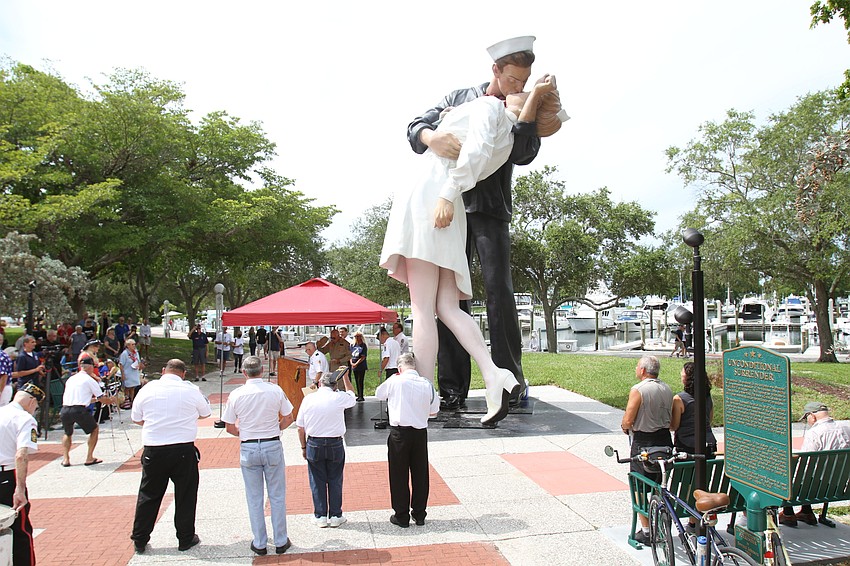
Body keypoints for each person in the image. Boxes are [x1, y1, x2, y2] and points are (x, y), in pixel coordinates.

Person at [384, 71, 561, 424]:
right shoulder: (467, 99)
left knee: (463, 301)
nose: (520, 88)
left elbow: (516, 151)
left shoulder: (493, 111)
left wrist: (527, 112)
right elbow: (417, 128)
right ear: (498, 70)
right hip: (453, 205)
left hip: (451, 199)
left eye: (524, 86)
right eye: (517, 81)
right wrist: (432, 135)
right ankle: (475, 382)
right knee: (448, 306)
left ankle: (430, 394)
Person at [130, 359, 211, 554]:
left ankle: (140, 538)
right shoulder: (191, 390)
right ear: (183, 374)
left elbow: (136, 418)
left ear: (163, 370)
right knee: (186, 494)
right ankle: (185, 537)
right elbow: (206, 413)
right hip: (182, 448)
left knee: (149, 494)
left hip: (154, 448)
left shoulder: (147, 389)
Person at [222, 356, 294, 555]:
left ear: (244, 372)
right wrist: (277, 429)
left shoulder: (236, 394)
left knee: (254, 497)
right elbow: (288, 417)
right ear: (262, 370)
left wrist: (244, 433)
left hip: (249, 445)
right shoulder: (275, 390)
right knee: (277, 495)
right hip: (271, 443)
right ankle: (280, 540)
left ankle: (260, 542)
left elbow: (229, 426)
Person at [375, 352, 440, 527]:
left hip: (399, 433)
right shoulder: (426, 384)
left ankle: (401, 515)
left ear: (400, 367)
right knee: (420, 474)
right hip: (419, 433)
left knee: (398, 474)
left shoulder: (395, 381)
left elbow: (379, 394)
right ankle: (419, 514)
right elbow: (434, 411)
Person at [620, 355, 673, 545]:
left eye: (637, 367)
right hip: (665, 441)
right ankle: (659, 519)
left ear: (642, 370)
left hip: (643, 442)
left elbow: (628, 419)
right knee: (659, 482)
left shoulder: (639, 390)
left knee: (639, 487)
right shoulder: (667, 388)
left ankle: (646, 530)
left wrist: (625, 426)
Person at [296, 363, 356, 528]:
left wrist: (303, 447)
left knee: (317, 480)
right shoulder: (339, 397)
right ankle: (336, 514)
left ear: (320, 383)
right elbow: (352, 395)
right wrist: (345, 377)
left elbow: (300, 427)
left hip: (314, 442)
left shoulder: (308, 399)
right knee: (335, 479)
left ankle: (320, 515)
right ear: (335, 385)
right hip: (335, 442)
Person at [779, 402, 850, 527]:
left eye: (806, 418)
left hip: (814, 489)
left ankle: (788, 514)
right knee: (816, 476)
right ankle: (806, 512)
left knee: (787, 475)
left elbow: (805, 464)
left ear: (812, 416)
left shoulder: (815, 433)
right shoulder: (846, 428)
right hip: (838, 487)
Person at [0, 383, 45, 566]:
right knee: (20, 531)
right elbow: (21, 454)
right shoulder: (24, 419)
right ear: (32, 401)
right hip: (7, 476)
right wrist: (20, 488)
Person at [59, 356, 116, 467]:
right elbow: (102, 399)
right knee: (94, 429)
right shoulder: (89, 380)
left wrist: (94, 400)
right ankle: (89, 457)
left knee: (67, 433)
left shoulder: (71, 379)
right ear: (90, 367)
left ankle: (66, 459)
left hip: (65, 409)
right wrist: (111, 400)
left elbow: (79, 397)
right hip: (79, 410)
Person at [670, 362, 717, 456]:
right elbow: (709, 419)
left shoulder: (679, 399)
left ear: (687, 377)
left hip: (686, 446)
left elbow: (674, 426)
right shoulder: (708, 397)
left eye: (682, 372)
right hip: (709, 443)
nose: (681, 374)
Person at [118, 339, 145, 407]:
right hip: (127, 372)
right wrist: (123, 374)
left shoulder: (135, 353)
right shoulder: (124, 354)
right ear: (128, 346)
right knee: (127, 387)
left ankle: (132, 401)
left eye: (134, 344)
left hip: (134, 372)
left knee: (133, 387)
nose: (134, 346)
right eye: (132, 344)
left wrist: (138, 365)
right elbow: (121, 364)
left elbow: (138, 361)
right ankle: (126, 401)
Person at [350, 331, 368, 401]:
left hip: (361, 365)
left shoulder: (363, 345)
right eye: (356, 336)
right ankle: (358, 394)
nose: (357, 338)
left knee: (360, 380)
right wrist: (352, 363)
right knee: (356, 380)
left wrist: (356, 363)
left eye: (358, 336)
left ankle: (361, 395)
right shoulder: (352, 345)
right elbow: (350, 355)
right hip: (354, 365)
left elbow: (363, 357)